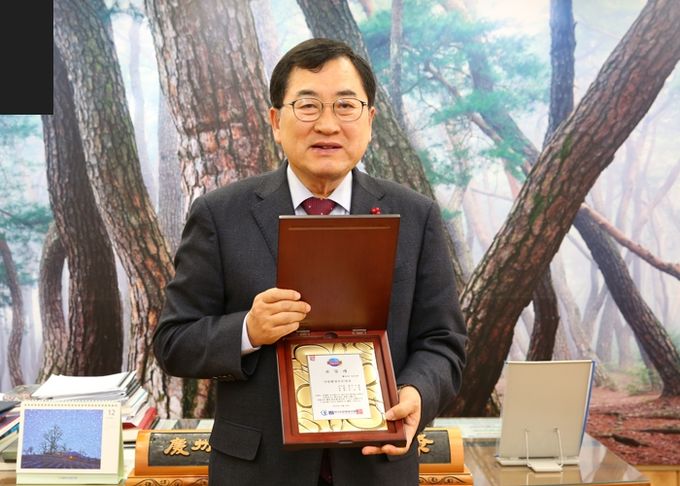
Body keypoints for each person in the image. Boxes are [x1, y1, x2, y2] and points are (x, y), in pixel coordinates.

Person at [153, 38, 467, 486]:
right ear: (276, 122)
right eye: (307, 106)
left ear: (370, 121)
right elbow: (173, 341)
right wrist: (247, 330)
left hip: (377, 469)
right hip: (257, 471)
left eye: (346, 106)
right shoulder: (220, 214)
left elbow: (443, 342)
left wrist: (417, 392)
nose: (327, 124)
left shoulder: (415, 215)